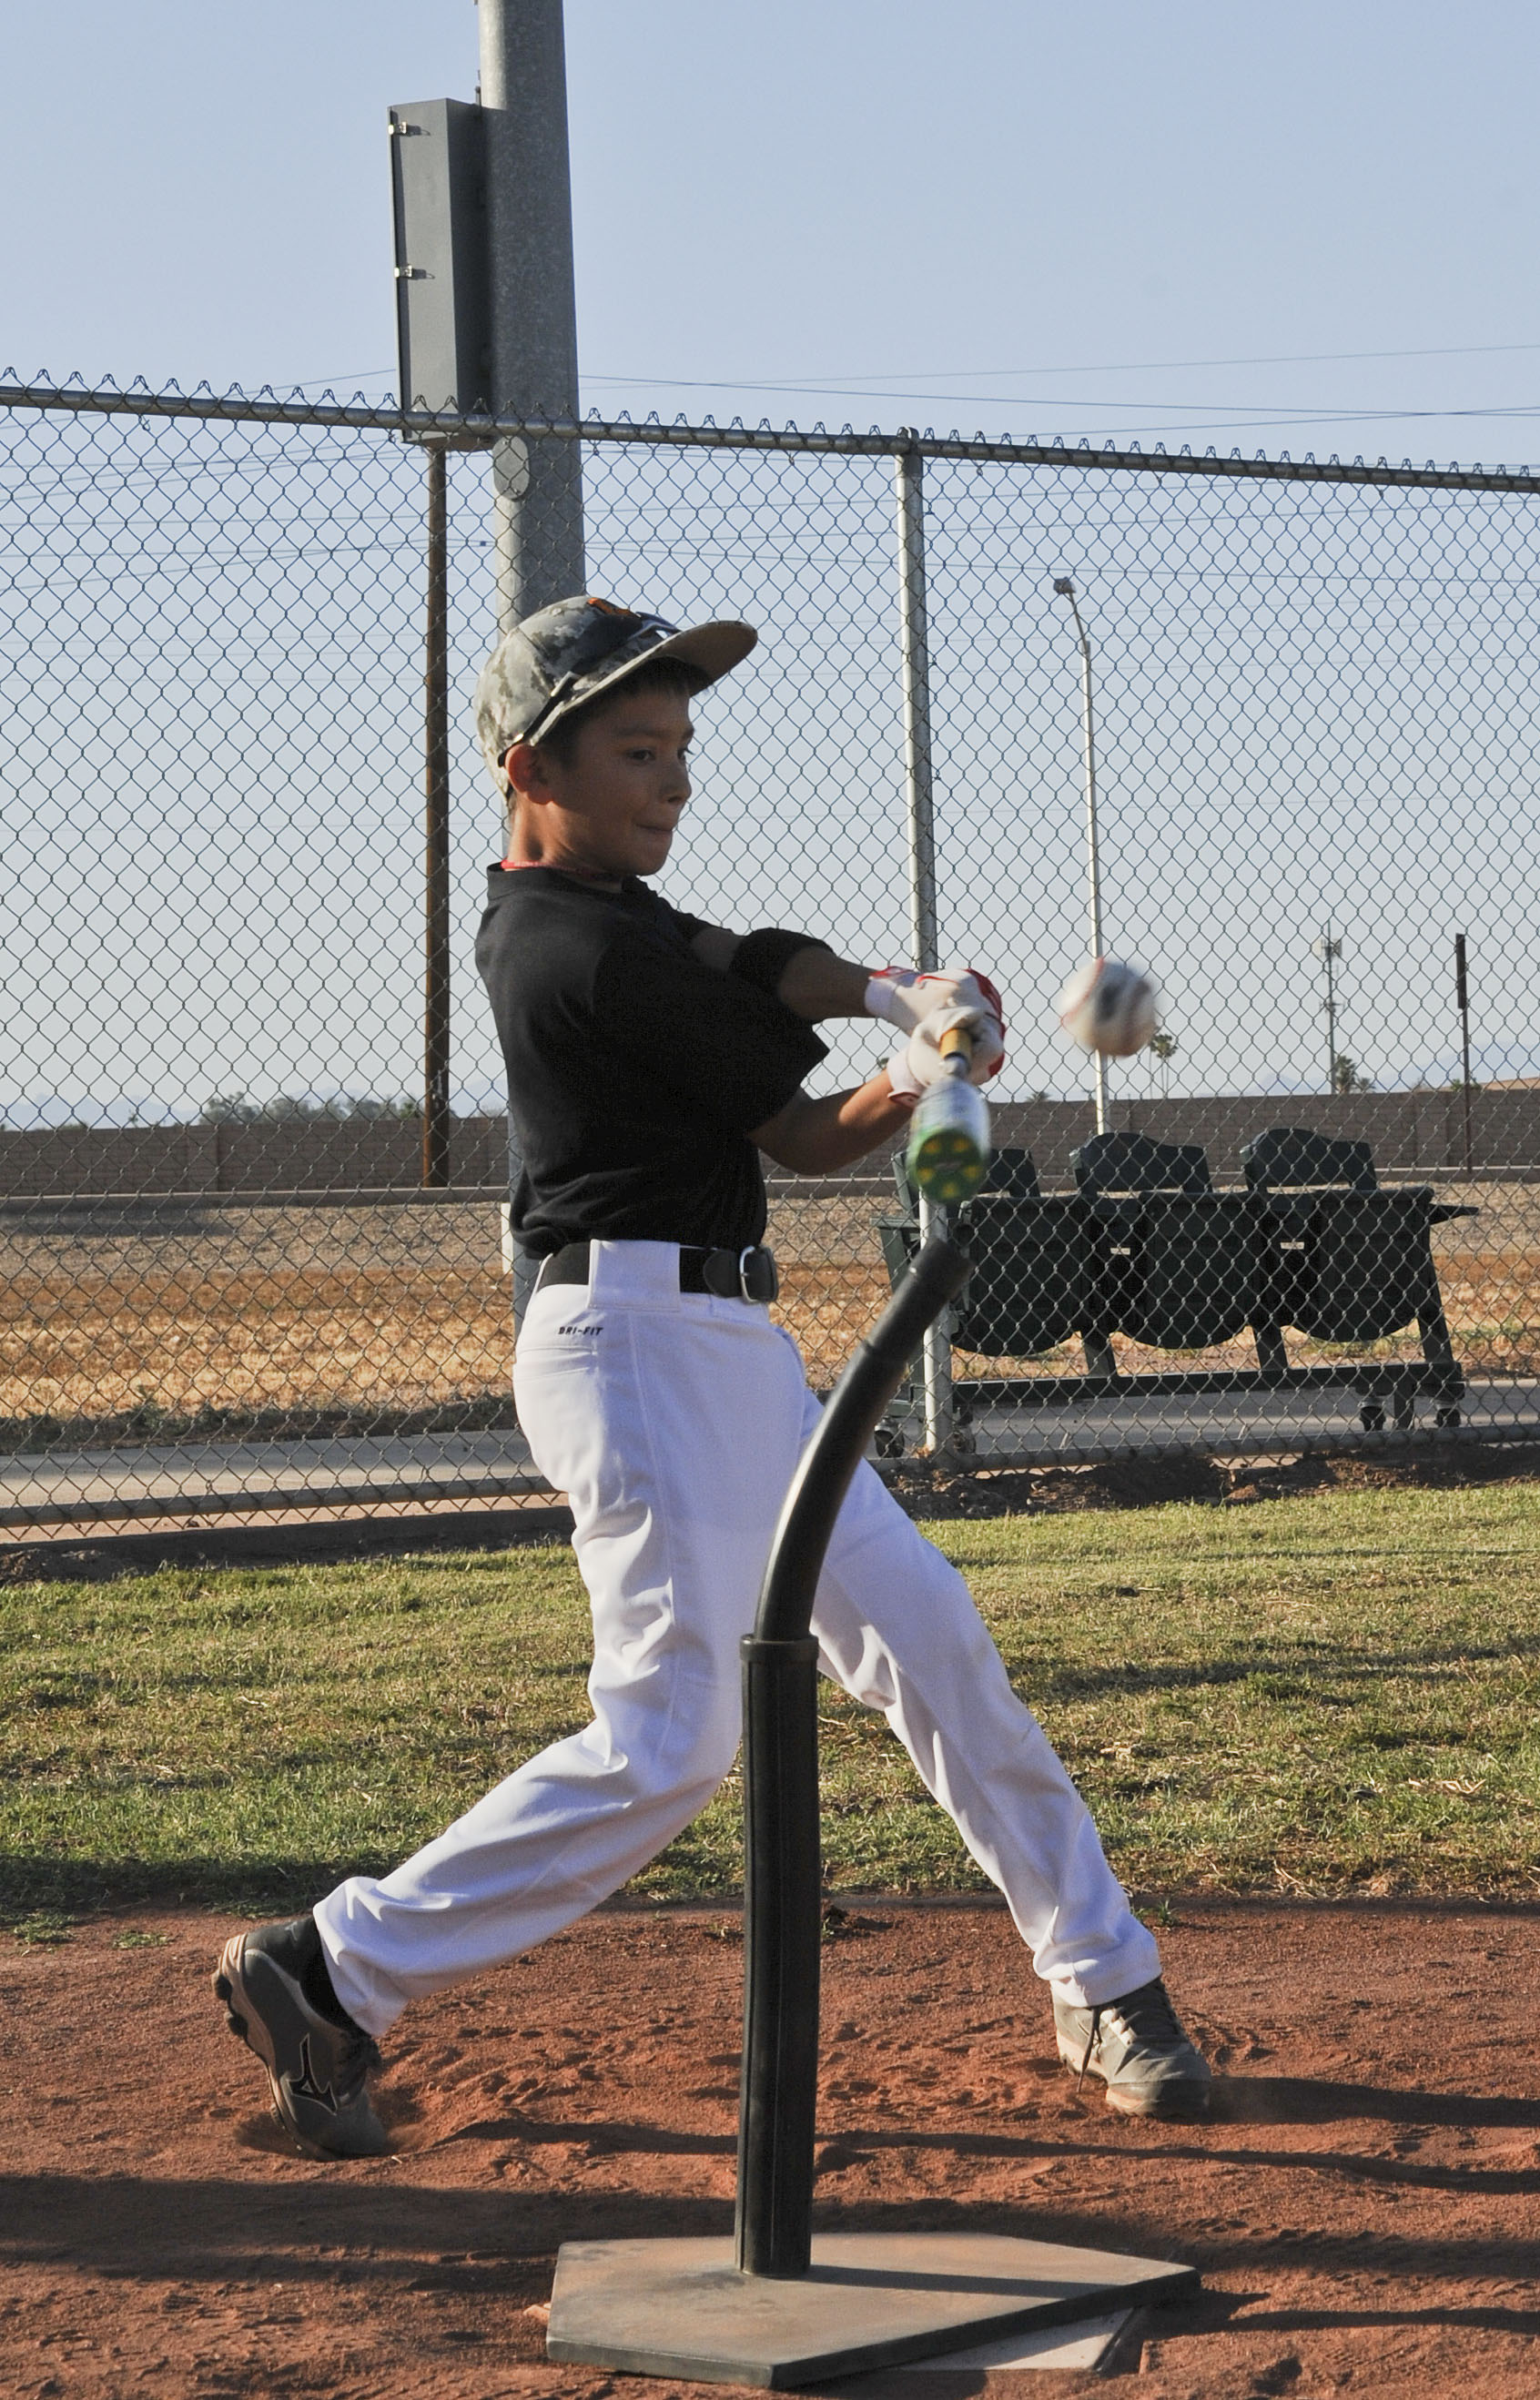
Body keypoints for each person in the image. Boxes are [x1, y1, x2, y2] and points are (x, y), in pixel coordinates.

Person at [214, 594, 1211, 2158]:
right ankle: (333, 1968)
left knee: (929, 1633)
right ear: (533, 762)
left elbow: (754, 958)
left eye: (681, 747)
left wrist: (896, 992)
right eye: (636, 750)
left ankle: (1106, 1978)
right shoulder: (566, 949)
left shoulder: (611, 914)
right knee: (668, 1739)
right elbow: (808, 1136)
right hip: (633, 1352)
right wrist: (926, 1068)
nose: (673, 779)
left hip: (724, 1349)